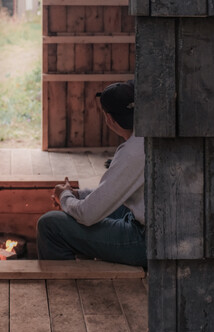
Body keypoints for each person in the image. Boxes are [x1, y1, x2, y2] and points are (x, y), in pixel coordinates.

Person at [36, 81, 146, 266]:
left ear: (109, 119)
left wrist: (64, 197)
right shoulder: (147, 138)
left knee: (49, 225)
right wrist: (78, 195)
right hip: (156, 225)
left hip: (146, 242)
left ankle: (63, 287)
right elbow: (115, 191)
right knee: (112, 206)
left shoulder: (133, 152)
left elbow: (87, 215)